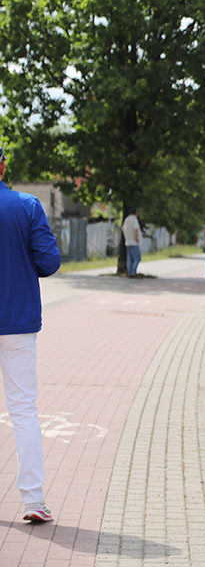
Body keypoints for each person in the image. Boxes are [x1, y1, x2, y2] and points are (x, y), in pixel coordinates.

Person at [0, 146, 61, 522]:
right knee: (23, 409)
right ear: (3, 165)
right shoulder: (27, 205)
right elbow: (49, 260)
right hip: (17, 320)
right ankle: (33, 500)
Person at [122, 206, 142, 278]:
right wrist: (136, 238)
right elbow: (136, 229)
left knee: (129, 258)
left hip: (128, 242)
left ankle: (130, 272)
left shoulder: (126, 219)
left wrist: (126, 237)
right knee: (137, 258)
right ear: (136, 213)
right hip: (134, 242)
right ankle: (133, 272)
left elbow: (123, 230)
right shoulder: (134, 219)